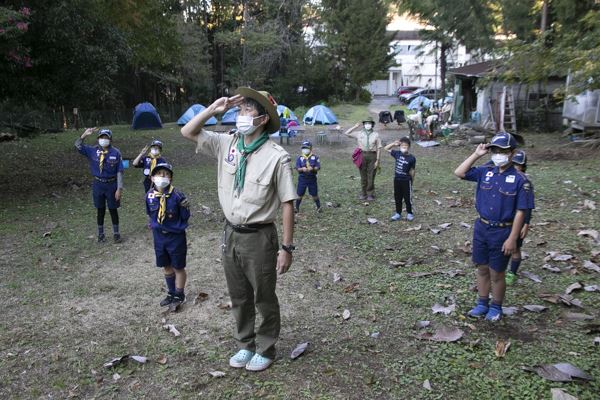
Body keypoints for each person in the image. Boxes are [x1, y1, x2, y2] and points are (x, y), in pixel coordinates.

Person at [181, 87, 297, 372]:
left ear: (261, 120)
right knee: (239, 296)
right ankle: (246, 344)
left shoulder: (276, 156)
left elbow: (287, 204)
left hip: (260, 237)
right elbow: (188, 132)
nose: (240, 114)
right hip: (231, 233)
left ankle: (266, 348)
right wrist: (212, 109)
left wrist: (286, 248)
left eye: (247, 110)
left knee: (264, 296)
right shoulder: (228, 144)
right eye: (240, 109)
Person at [454, 132, 534, 322]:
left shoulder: (521, 180)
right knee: (482, 268)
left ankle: (496, 305)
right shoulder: (485, 171)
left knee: (497, 272)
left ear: (512, 153)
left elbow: (521, 212)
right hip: (482, 228)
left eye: (503, 151)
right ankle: (482, 303)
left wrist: (513, 238)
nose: (498, 154)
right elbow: (459, 172)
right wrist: (477, 154)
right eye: (495, 150)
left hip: (503, 231)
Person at [146, 162, 190, 308]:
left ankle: (179, 294)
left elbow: (185, 215)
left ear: (170, 178)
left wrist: (175, 227)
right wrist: (154, 225)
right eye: (159, 174)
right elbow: (149, 213)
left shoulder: (178, 196)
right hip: (159, 237)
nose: (162, 177)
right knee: (166, 265)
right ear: (152, 178)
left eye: (166, 174)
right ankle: (171, 293)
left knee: (178, 267)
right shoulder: (149, 195)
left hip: (175, 237)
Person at [75, 127, 124, 243]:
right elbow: (77, 146)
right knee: (100, 210)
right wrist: (84, 135)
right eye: (101, 137)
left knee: (113, 209)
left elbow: (120, 171)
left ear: (110, 139)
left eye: (106, 137)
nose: (104, 139)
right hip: (98, 184)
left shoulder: (116, 153)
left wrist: (119, 188)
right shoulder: (92, 150)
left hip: (112, 184)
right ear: (98, 139)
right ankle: (100, 234)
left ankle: (116, 234)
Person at [505, 150, 535, 285]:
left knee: (515, 248)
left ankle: (512, 272)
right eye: (513, 164)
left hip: (518, 220)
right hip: (504, 219)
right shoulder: (506, 177)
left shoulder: (525, 183)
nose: (515, 167)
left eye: (517, 165)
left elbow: (527, 206)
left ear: (522, 167)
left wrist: (526, 224)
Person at [343, 116, 382, 201]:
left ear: (372, 125)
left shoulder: (376, 134)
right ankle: (364, 193)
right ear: (364, 124)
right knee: (363, 175)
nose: (368, 125)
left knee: (371, 175)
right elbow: (346, 133)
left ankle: (370, 194)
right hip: (362, 155)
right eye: (366, 123)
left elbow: (379, 148)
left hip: (372, 156)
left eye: (370, 123)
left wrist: (377, 160)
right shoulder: (359, 133)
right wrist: (355, 126)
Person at [384, 137, 416, 221]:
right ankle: (398, 213)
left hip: (406, 180)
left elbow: (412, 171)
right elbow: (386, 148)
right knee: (397, 197)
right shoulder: (397, 153)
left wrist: (412, 181)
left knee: (407, 198)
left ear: (409, 147)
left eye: (406, 145)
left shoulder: (412, 158)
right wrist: (394, 144)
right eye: (402, 145)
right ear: (400, 146)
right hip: (397, 179)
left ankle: (409, 213)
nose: (404, 147)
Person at [295, 140, 321, 213]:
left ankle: (319, 207)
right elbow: (297, 168)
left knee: (314, 194)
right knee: (299, 194)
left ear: (311, 148)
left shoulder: (315, 157)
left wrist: (313, 168)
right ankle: (296, 208)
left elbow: (318, 167)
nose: (305, 149)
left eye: (306, 148)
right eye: (303, 148)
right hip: (302, 179)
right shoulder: (299, 158)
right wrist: (302, 169)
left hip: (312, 179)